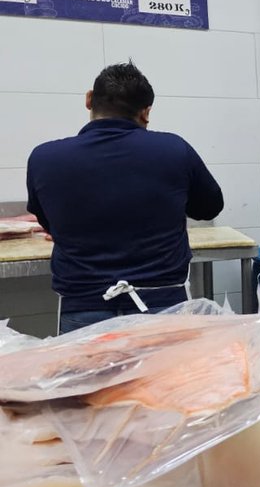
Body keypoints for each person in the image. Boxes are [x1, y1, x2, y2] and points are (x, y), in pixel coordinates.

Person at [26, 62, 224, 334]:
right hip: (163, 306)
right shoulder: (174, 150)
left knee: (92, 379)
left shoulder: (44, 158)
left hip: (82, 309)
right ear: (146, 112)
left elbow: (49, 223)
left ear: (88, 99)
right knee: (164, 378)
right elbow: (210, 208)